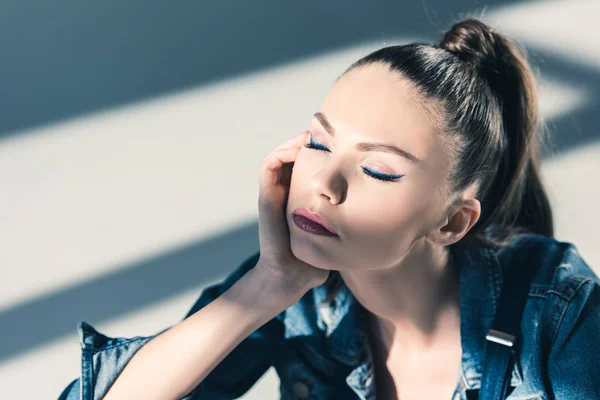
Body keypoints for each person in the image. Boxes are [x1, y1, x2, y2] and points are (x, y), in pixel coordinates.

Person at [58, 18, 600, 400]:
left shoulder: (553, 307)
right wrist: (267, 287)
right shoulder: (297, 297)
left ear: (451, 221)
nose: (325, 185)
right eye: (318, 143)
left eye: (379, 169)